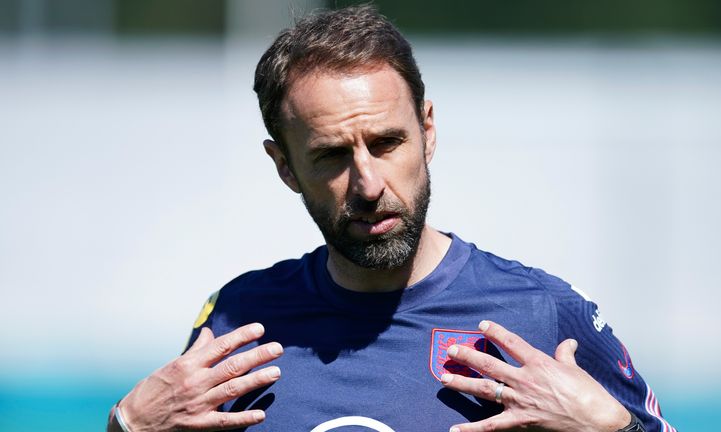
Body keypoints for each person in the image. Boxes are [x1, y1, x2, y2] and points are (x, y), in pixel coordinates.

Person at [107, 5, 676, 432]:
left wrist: (612, 427)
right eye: (331, 155)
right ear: (283, 165)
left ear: (427, 131)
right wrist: (125, 426)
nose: (369, 184)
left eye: (386, 143)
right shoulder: (241, 319)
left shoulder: (540, 314)